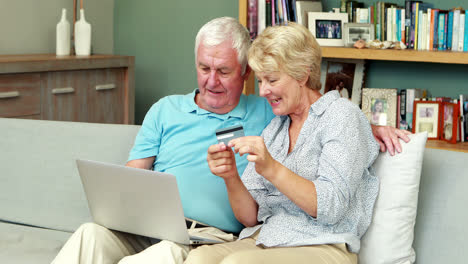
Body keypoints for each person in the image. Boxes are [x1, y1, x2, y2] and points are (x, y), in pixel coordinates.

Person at [52, 17, 410, 264]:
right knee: (89, 233)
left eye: (223, 71)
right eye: (203, 69)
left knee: (197, 257)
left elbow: (332, 122)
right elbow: (252, 212)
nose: (211, 81)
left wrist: (372, 128)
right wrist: (231, 177)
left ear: (244, 73)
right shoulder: (275, 125)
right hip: (243, 235)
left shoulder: (275, 114)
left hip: (236, 238)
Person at [186, 22, 381, 264]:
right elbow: (250, 218)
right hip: (266, 238)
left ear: (302, 74)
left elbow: (331, 207)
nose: (263, 91)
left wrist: (272, 168)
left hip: (321, 244)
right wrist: (230, 176)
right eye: (260, 81)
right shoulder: (276, 128)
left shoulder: (341, 116)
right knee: (199, 258)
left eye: (272, 80)